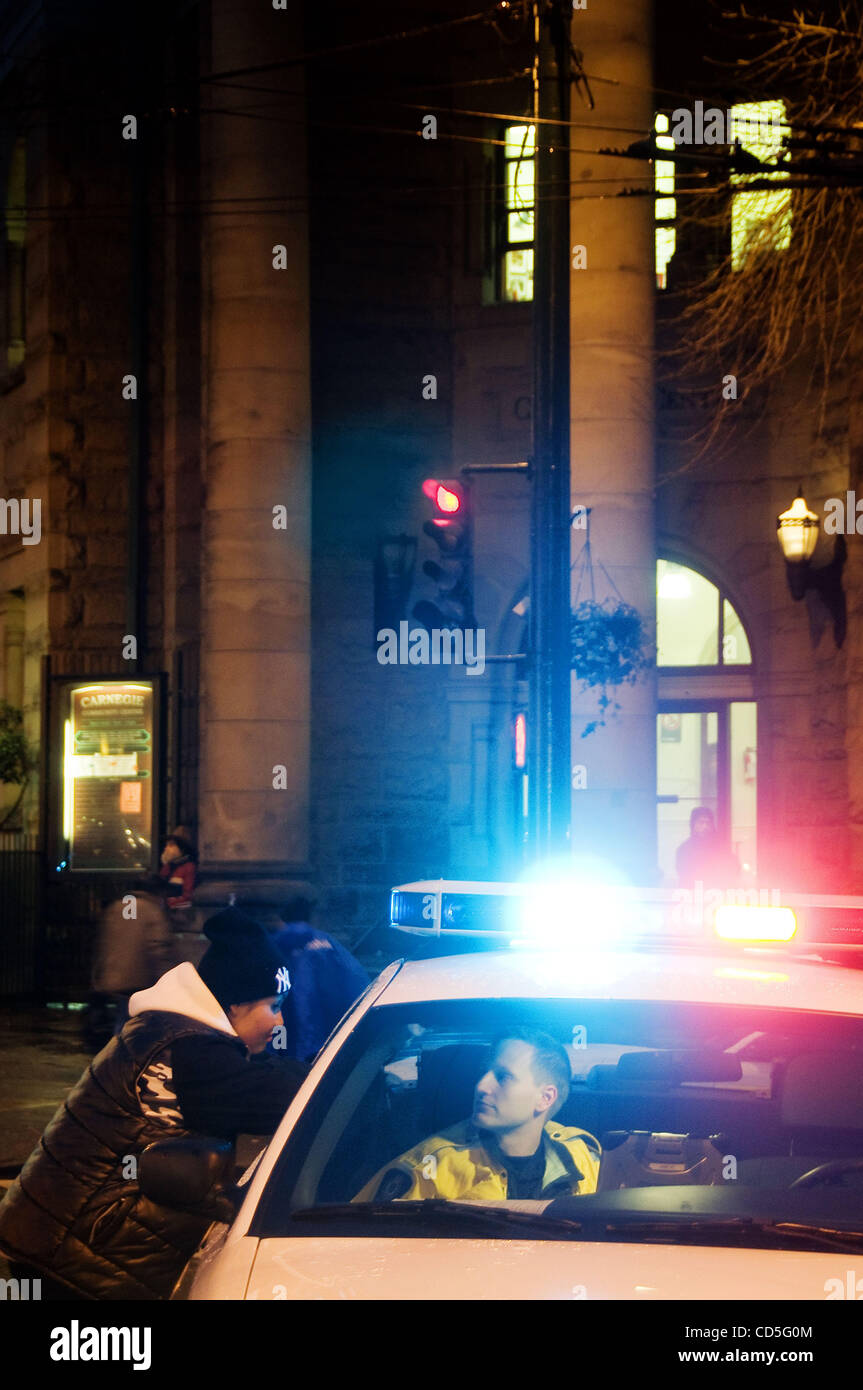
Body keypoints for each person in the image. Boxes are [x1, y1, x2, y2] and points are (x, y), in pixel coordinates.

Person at [0, 907, 307, 1301]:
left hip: (62, 1242)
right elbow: (280, 1099)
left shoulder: (171, 1032)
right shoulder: (192, 1052)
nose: (280, 1024)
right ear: (233, 1005)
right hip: (72, 1256)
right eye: (274, 1005)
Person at [355, 1028, 601, 1202]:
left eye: (503, 1077)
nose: (481, 1086)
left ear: (545, 1098)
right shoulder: (430, 1168)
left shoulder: (582, 1155)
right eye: (484, 1073)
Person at [269, 896, 369, 1062]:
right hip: (330, 1032)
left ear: (282, 917)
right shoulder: (328, 943)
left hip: (289, 1028)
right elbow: (357, 979)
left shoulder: (276, 944)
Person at [91, 874, 178, 1036]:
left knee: (124, 1018)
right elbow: (158, 946)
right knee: (133, 1023)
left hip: (115, 977)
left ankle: (118, 1052)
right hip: (139, 978)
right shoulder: (151, 910)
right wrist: (167, 978)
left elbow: (105, 941)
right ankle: (123, 1055)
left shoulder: (119, 906)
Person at [675, 806, 741, 889]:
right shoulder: (684, 850)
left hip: (717, 895)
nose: (705, 826)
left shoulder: (721, 848)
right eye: (701, 822)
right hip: (693, 896)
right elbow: (684, 875)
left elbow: (734, 869)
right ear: (693, 825)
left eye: (708, 823)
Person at [159, 827, 197, 912]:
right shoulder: (167, 867)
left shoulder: (189, 867)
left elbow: (188, 897)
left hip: (178, 914)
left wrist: (166, 903)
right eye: (166, 845)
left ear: (182, 848)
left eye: (171, 845)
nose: (166, 848)